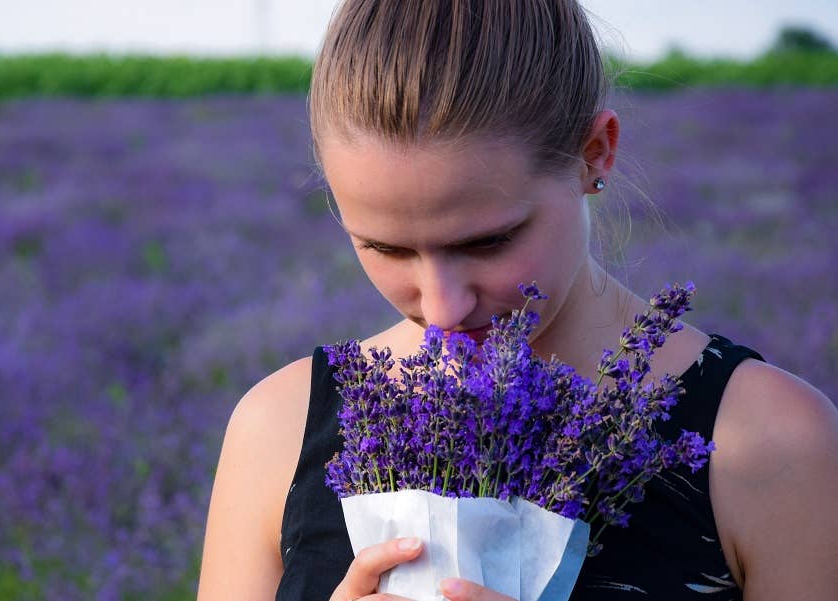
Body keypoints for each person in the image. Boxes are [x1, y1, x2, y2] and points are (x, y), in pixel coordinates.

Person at [196, 1, 838, 600]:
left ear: (596, 154)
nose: (443, 310)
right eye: (387, 249)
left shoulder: (773, 443)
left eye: (488, 241)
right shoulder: (278, 428)